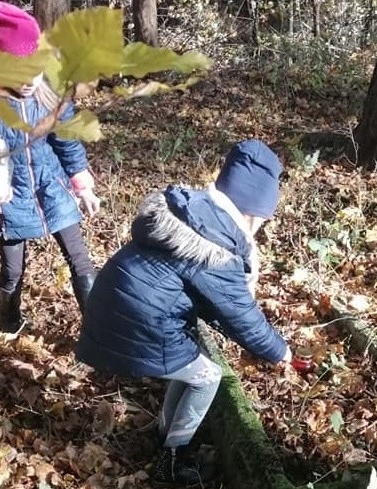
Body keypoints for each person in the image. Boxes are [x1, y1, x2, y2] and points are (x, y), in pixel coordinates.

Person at [76, 140, 294, 486]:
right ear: (253, 212)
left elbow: (209, 300)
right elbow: (241, 315)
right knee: (208, 376)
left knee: (195, 364)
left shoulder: (196, 214)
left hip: (112, 304)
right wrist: (280, 352)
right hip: (135, 322)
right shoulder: (216, 245)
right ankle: (173, 463)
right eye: (263, 220)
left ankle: (166, 434)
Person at [0, 2, 100, 333]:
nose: (31, 80)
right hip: (8, 199)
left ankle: (97, 331)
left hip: (53, 189)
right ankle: (9, 322)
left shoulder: (49, 95)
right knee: (13, 270)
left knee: (80, 260)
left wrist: (82, 184)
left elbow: (67, 141)